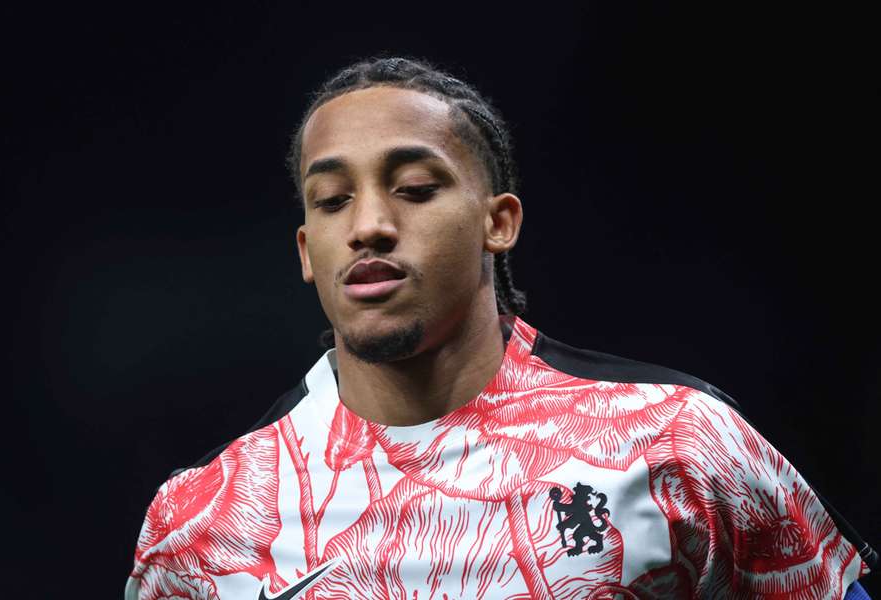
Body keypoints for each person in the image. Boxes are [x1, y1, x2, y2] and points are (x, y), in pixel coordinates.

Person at [125, 56, 876, 600]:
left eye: (414, 188)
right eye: (331, 200)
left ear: (499, 222)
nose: (369, 225)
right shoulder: (201, 522)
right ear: (305, 252)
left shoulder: (678, 443)